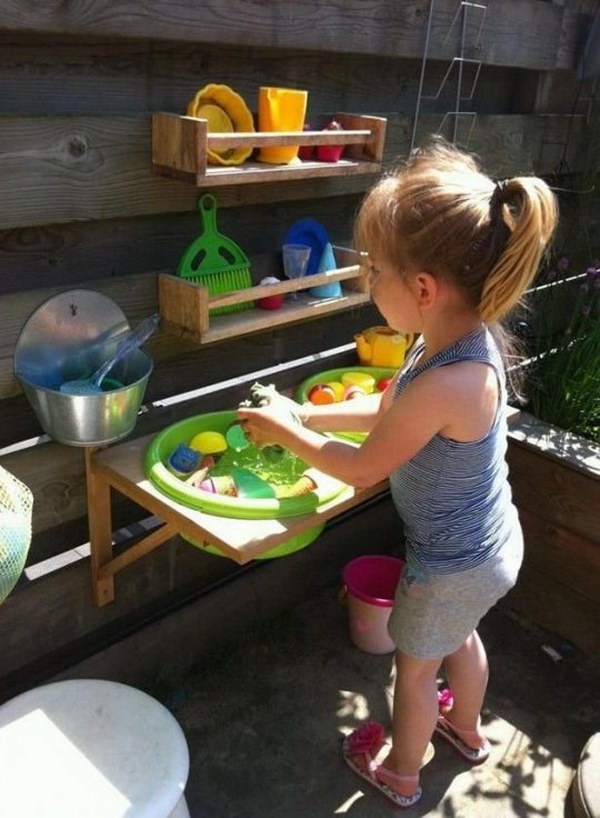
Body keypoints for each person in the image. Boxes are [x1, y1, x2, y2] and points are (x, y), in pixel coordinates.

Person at [237, 138, 558, 808]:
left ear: (421, 288)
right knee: (459, 640)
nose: (367, 285)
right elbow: (388, 411)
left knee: (413, 674)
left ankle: (401, 773)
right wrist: (308, 417)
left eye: (373, 271)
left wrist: (288, 435)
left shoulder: (453, 380)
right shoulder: (451, 343)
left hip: (448, 567)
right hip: (488, 550)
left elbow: (361, 472)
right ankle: (466, 731)